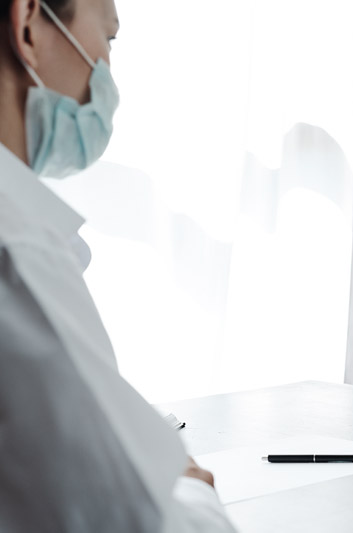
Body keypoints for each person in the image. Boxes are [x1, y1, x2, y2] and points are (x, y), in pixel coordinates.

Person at [0, 0, 234, 530]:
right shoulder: (17, 259)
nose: (106, 77)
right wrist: (187, 487)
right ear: (30, 26)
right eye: (108, 41)